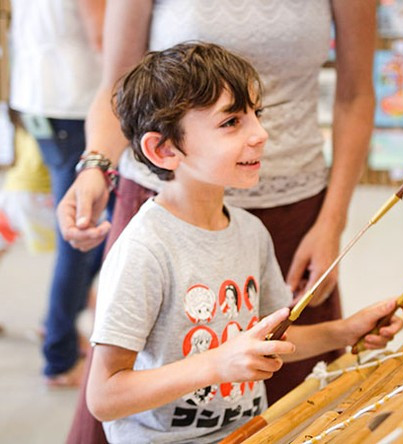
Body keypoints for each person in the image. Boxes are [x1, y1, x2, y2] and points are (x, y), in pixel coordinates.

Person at [62, 1, 376, 441]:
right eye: (231, 121)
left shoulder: (251, 234)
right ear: (164, 149)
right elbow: (106, 395)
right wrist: (218, 363)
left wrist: (346, 330)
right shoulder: (145, 249)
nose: (261, 134)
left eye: (257, 114)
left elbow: (272, 340)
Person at [9, 0, 109, 386]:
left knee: (88, 225)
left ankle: (56, 324)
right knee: (82, 227)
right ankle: (60, 354)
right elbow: (103, 37)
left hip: (39, 100)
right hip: (73, 102)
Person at [0, 125, 55, 333]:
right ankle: (55, 324)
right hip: (39, 196)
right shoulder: (47, 115)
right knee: (73, 260)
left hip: (10, 192)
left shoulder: (19, 117)